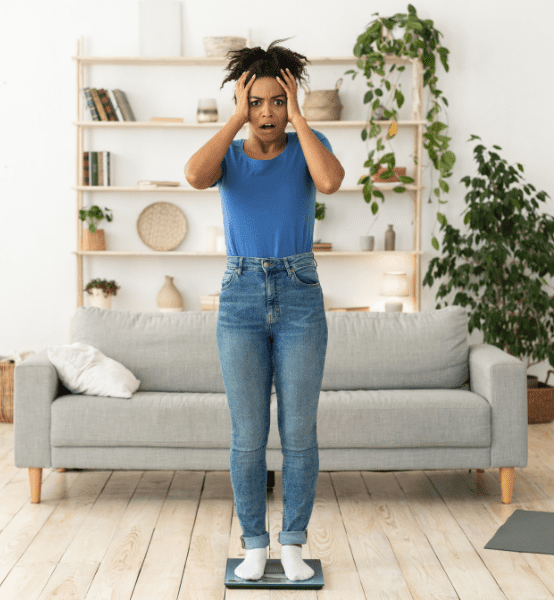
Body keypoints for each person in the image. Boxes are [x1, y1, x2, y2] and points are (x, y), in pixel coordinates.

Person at [184, 39, 345, 582]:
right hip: (241, 294)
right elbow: (194, 176)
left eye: (278, 101)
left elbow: (330, 182)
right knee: (247, 433)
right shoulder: (228, 152)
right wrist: (233, 120)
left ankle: (293, 544)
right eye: (257, 102)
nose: (268, 112)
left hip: (299, 293)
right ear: (242, 103)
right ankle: (254, 545)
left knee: (299, 431)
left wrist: (302, 118)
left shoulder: (307, 144)